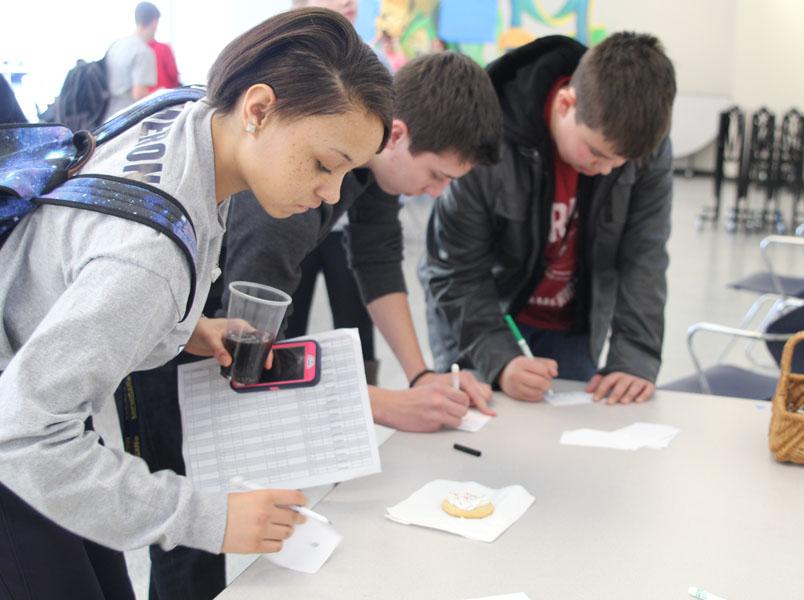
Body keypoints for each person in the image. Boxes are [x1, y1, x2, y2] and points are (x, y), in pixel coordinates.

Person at [0, 8, 393, 600]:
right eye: (323, 164)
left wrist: (184, 328)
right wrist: (211, 518)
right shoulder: (147, 261)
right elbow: (24, 437)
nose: (330, 195)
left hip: (32, 387)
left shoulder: (190, 111)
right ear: (259, 109)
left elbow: (84, 264)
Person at [123, 49, 502, 600]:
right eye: (437, 175)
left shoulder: (369, 167)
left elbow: (376, 261)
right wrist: (381, 402)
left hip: (211, 331)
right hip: (169, 347)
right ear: (395, 136)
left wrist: (420, 376)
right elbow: (246, 351)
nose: (437, 193)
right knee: (190, 530)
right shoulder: (291, 196)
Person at [418, 32, 677, 405]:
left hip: (572, 326)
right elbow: (455, 270)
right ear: (565, 103)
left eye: (620, 164)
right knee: (478, 438)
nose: (605, 171)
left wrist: (635, 359)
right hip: (481, 316)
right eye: (596, 153)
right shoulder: (487, 135)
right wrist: (501, 360)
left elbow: (644, 255)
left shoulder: (644, 145)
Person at [287, 0, 377, 383]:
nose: (349, 3)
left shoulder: (369, 67)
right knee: (286, 324)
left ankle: (366, 403)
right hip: (291, 223)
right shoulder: (288, 64)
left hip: (347, 228)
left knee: (355, 326)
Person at [103, 2, 160, 121]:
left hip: (106, 117)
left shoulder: (116, 45)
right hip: (127, 119)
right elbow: (139, 94)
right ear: (154, 23)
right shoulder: (143, 51)